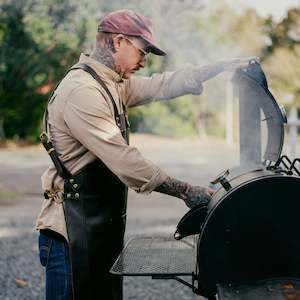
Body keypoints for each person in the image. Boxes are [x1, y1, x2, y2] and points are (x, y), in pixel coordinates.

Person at [36, 9, 258, 300]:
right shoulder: (82, 90)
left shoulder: (109, 84)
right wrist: (185, 190)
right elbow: (125, 161)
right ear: (117, 42)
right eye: (142, 51)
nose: (144, 61)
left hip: (97, 230)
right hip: (72, 236)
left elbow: (160, 85)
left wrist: (216, 68)